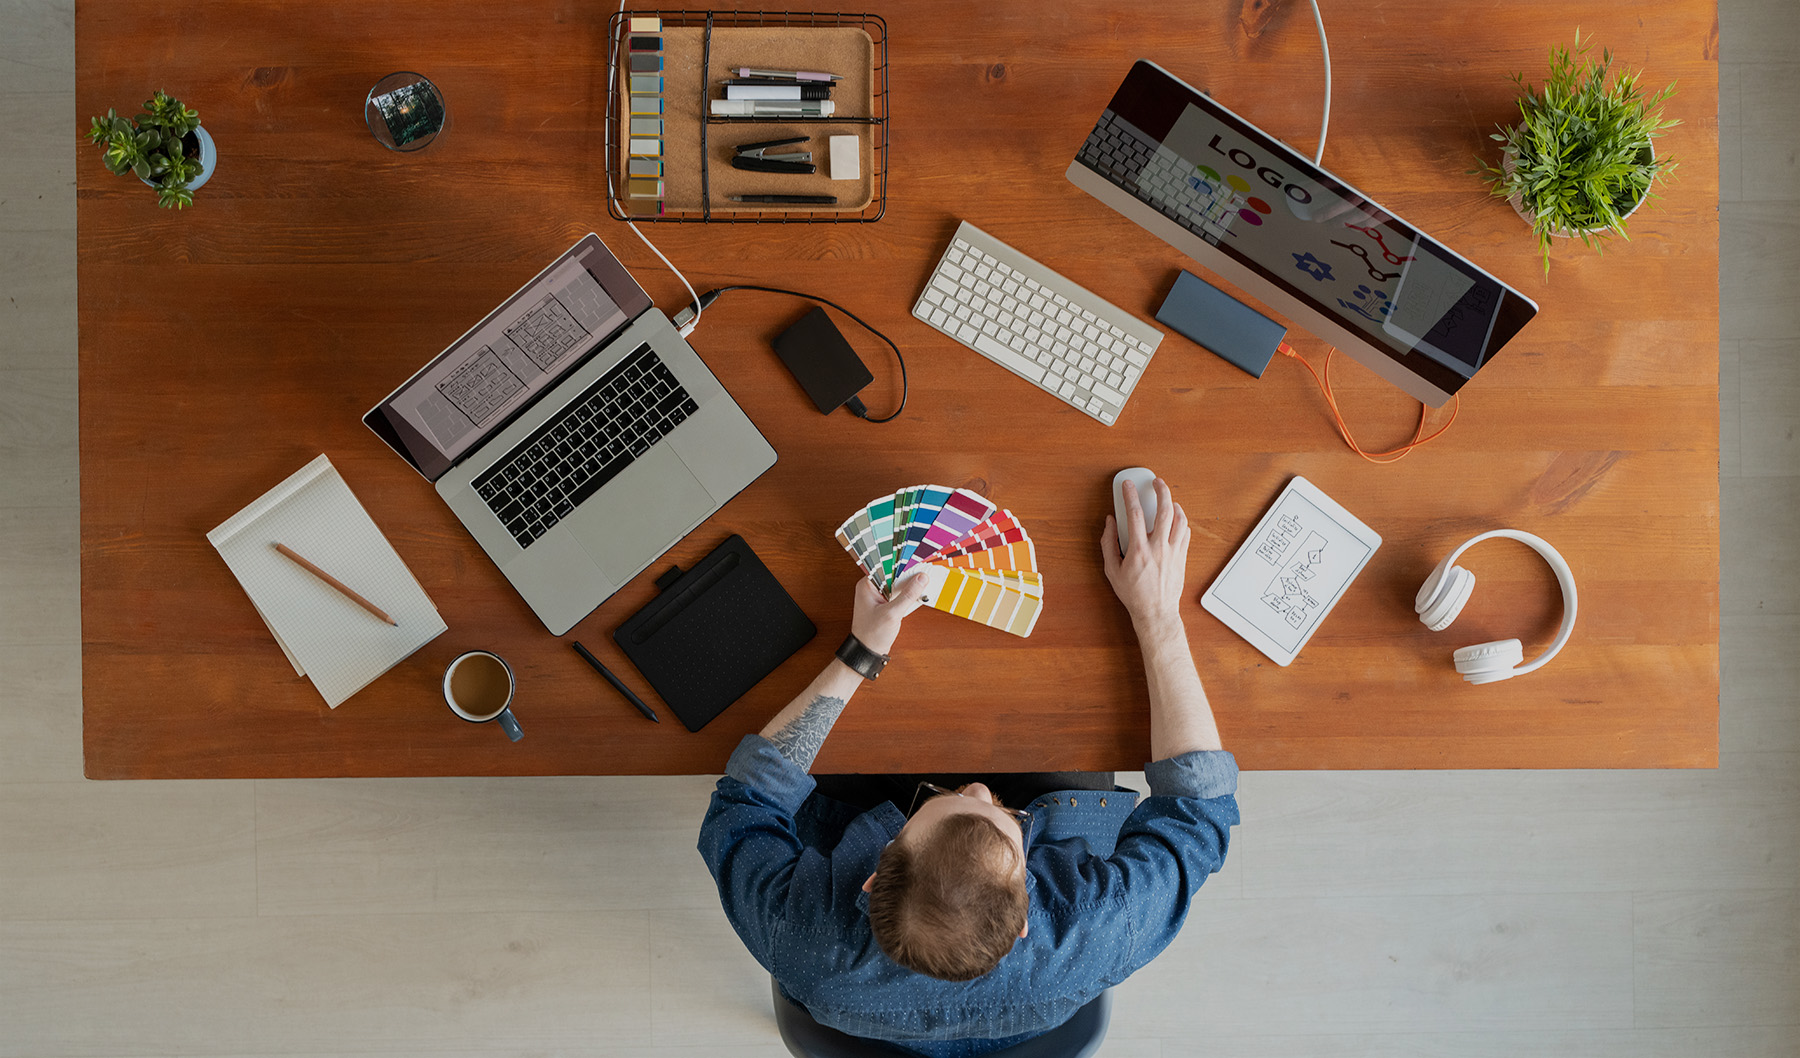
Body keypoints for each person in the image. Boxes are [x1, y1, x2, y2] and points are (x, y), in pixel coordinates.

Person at [698, 479, 1238, 1057]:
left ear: (875, 874)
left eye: (947, 799)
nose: (980, 787)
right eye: (998, 812)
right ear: (1030, 912)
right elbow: (1197, 806)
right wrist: (1157, 612)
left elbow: (744, 804)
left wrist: (862, 650)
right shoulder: (1095, 932)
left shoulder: (802, 938)